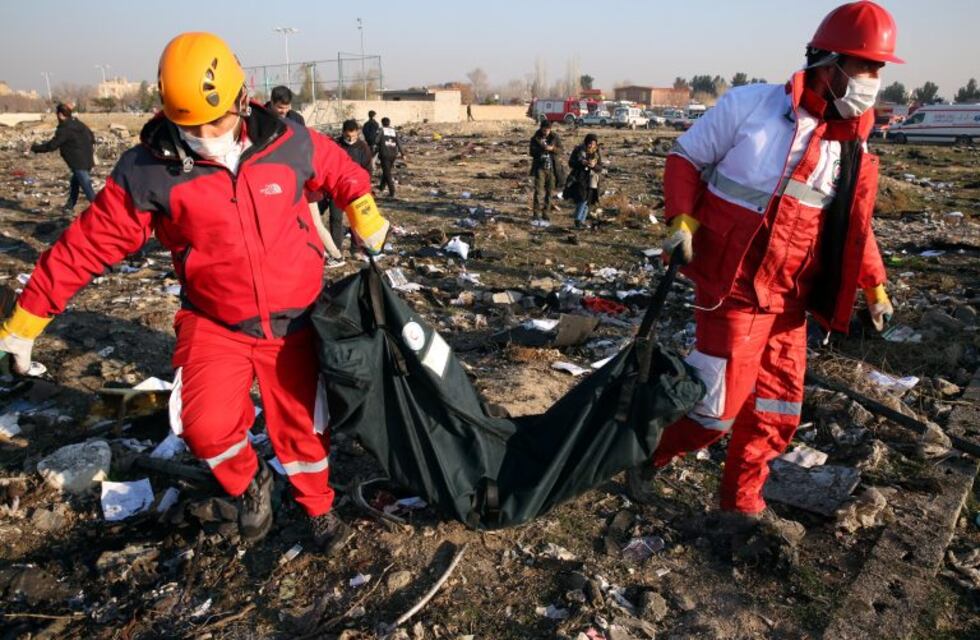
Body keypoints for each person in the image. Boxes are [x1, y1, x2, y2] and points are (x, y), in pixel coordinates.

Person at [0, 32, 390, 551]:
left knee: (302, 428)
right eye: (191, 125)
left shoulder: (289, 141)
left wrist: (363, 210)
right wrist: (25, 321)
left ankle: (317, 508)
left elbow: (343, 171)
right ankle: (251, 483)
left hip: (294, 323)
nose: (205, 133)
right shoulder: (147, 171)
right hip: (216, 322)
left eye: (216, 120)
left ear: (240, 96)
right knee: (203, 426)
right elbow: (84, 247)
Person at [626, 1, 901, 544]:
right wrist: (681, 220)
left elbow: (853, 225)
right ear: (829, 61)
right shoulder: (750, 108)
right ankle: (645, 453)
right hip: (730, 288)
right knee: (715, 410)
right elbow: (684, 158)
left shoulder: (852, 145)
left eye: (878, 70)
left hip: (791, 301)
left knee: (777, 410)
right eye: (865, 67)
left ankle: (742, 505)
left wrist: (875, 282)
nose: (872, 81)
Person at [319, 119, 373, 266]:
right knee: (335, 219)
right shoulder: (336, 145)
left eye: (353, 136)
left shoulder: (363, 147)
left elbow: (368, 169)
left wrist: (365, 187)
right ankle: (336, 250)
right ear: (343, 132)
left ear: (358, 133)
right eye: (348, 136)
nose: (350, 139)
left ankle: (355, 249)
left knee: (356, 220)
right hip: (336, 189)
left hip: (355, 190)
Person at [31, 103, 96, 213]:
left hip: (78, 163)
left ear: (60, 115)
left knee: (87, 188)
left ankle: (102, 212)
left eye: (57, 114)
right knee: (75, 182)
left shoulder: (64, 129)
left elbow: (52, 145)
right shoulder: (79, 124)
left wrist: (36, 148)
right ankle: (69, 207)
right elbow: (92, 137)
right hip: (87, 159)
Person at [564, 133, 601, 228]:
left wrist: (594, 166)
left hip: (592, 179)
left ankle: (582, 221)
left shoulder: (596, 153)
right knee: (582, 198)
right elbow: (571, 163)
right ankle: (578, 219)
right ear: (586, 142)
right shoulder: (578, 150)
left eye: (594, 144)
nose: (592, 146)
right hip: (579, 177)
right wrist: (582, 163)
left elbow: (600, 167)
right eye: (590, 143)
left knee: (588, 200)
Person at [528, 120, 560, 221]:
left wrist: (552, 149)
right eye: (545, 129)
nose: (546, 131)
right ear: (541, 128)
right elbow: (532, 152)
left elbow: (561, 150)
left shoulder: (555, 137)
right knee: (538, 191)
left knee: (549, 192)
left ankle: (546, 213)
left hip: (551, 168)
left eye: (548, 129)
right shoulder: (535, 138)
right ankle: (536, 213)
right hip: (540, 168)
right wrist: (542, 148)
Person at [375, 117, 405, 198]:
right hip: (393, 154)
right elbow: (399, 143)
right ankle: (381, 187)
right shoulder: (394, 131)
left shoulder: (381, 130)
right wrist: (403, 154)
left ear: (382, 123)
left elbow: (376, 141)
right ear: (389, 123)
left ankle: (392, 191)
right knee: (387, 170)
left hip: (384, 154)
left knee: (387, 172)